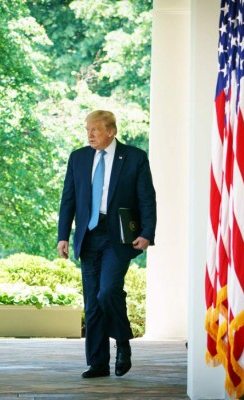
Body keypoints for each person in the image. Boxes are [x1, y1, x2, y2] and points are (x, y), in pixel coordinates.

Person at [57, 110, 156, 378]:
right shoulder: (78, 158)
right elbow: (69, 199)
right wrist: (63, 235)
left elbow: (146, 197)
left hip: (118, 236)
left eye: (95, 130)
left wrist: (148, 232)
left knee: (107, 291)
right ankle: (98, 364)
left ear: (111, 131)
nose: (89, 134)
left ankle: (122, 342)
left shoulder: (134, 157)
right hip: (88, 235)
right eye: (87, 129)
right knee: (92, 303)